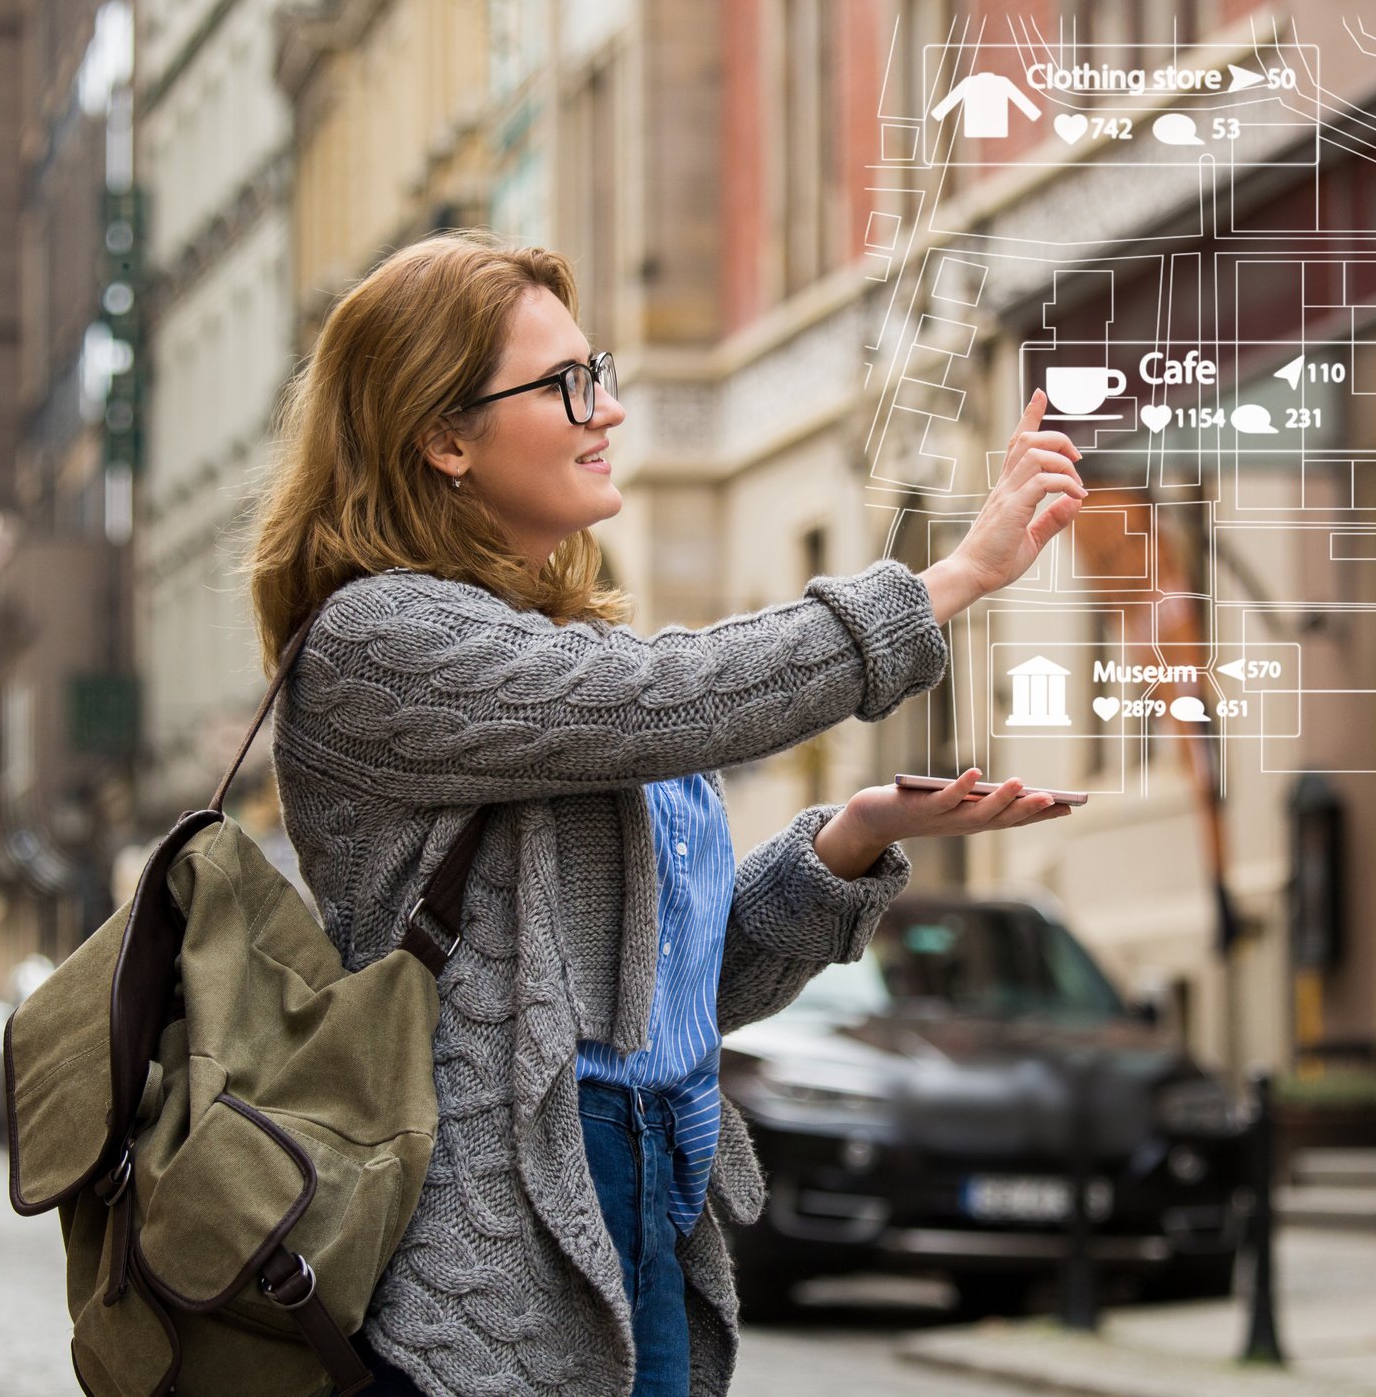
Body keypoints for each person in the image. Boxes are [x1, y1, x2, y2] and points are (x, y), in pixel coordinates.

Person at [248, 232, 1087, 1397]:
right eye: (567, 385)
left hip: (648, 1205)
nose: (611, 411)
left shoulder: (569, 655)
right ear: (443, 437)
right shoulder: (377, 646)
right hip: (485, 1267)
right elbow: (674, 698)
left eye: (599, 372)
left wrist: (848, 844)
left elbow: (678, 993)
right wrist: (946, 581)